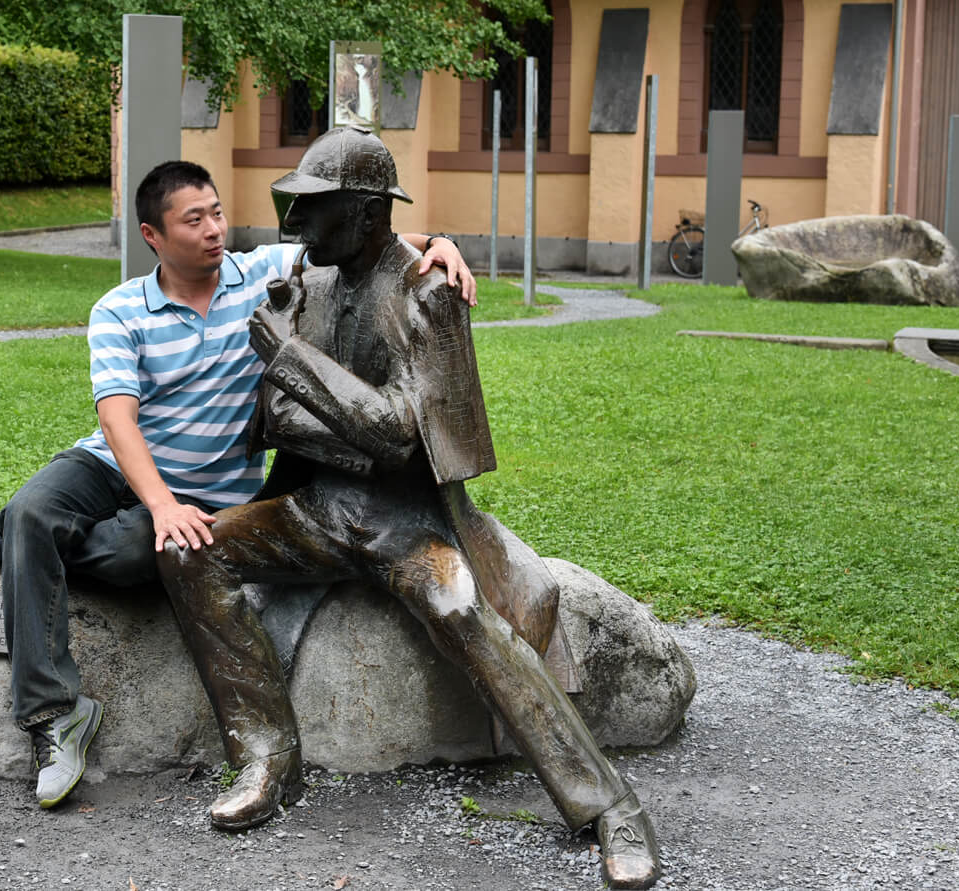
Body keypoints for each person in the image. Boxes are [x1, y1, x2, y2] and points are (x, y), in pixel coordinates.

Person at [157, 128, 661, 890]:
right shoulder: (309, 279)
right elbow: (276, 420)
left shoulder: (426, 292)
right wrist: (332, 411)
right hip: (317, 508)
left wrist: (294, 361)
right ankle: (266, 756)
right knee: (188, 549)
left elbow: (399, 436)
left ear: (362, 215)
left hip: (406, 525)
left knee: (462, 612)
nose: (294, 226)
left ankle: (611, 809)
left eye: (312, 209)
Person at [0, 158, 474, 810]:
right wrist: (158, 503)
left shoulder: (263, 274)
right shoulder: (120, 308)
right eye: (194, 220)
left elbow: (365, 240)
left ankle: (19, 538)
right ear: (153, 235)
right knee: (40, 509)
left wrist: (437, 244)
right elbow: (116, 418)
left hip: (210, 493)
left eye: (216, 212)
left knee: (131, 557)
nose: (214, 229)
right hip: (112, 464)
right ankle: (53, 716)